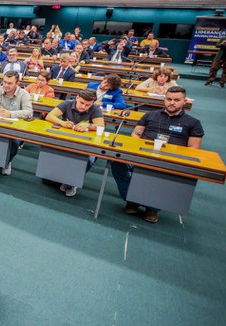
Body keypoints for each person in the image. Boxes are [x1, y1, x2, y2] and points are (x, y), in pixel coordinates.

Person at [111, 86, 203, 223]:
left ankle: (152, 207)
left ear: (185, 101)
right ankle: (132, 198)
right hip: (142, 155)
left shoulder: (193, 123)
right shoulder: (150, 115)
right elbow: (135, 135)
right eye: (169, 99)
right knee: (118, 163)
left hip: (169, 160)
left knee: (159, 175)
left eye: (176, 100)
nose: (172, 102)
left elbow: (193, 149)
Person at [45, 88, 104, 197]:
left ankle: (72, 183)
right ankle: (60, 177)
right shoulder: (67, 103)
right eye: (82, 103)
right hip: (66, 139)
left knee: (89, 160)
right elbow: (49, 116)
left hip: (85, 142)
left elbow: (101, 126)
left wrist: (89, 126)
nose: (83, 107)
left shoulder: (95, 108)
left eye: (88, 105)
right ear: (77, 97)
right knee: (47, 181)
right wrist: (62, 123)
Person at [0, 71, 33, 175]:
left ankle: (7, 162)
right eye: (4, 82)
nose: (6, 85)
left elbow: (29, 112)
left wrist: (11, 114)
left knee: (14, 142)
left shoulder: (24, 94)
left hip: (14, 128)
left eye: (10, 83)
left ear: (17, 83)